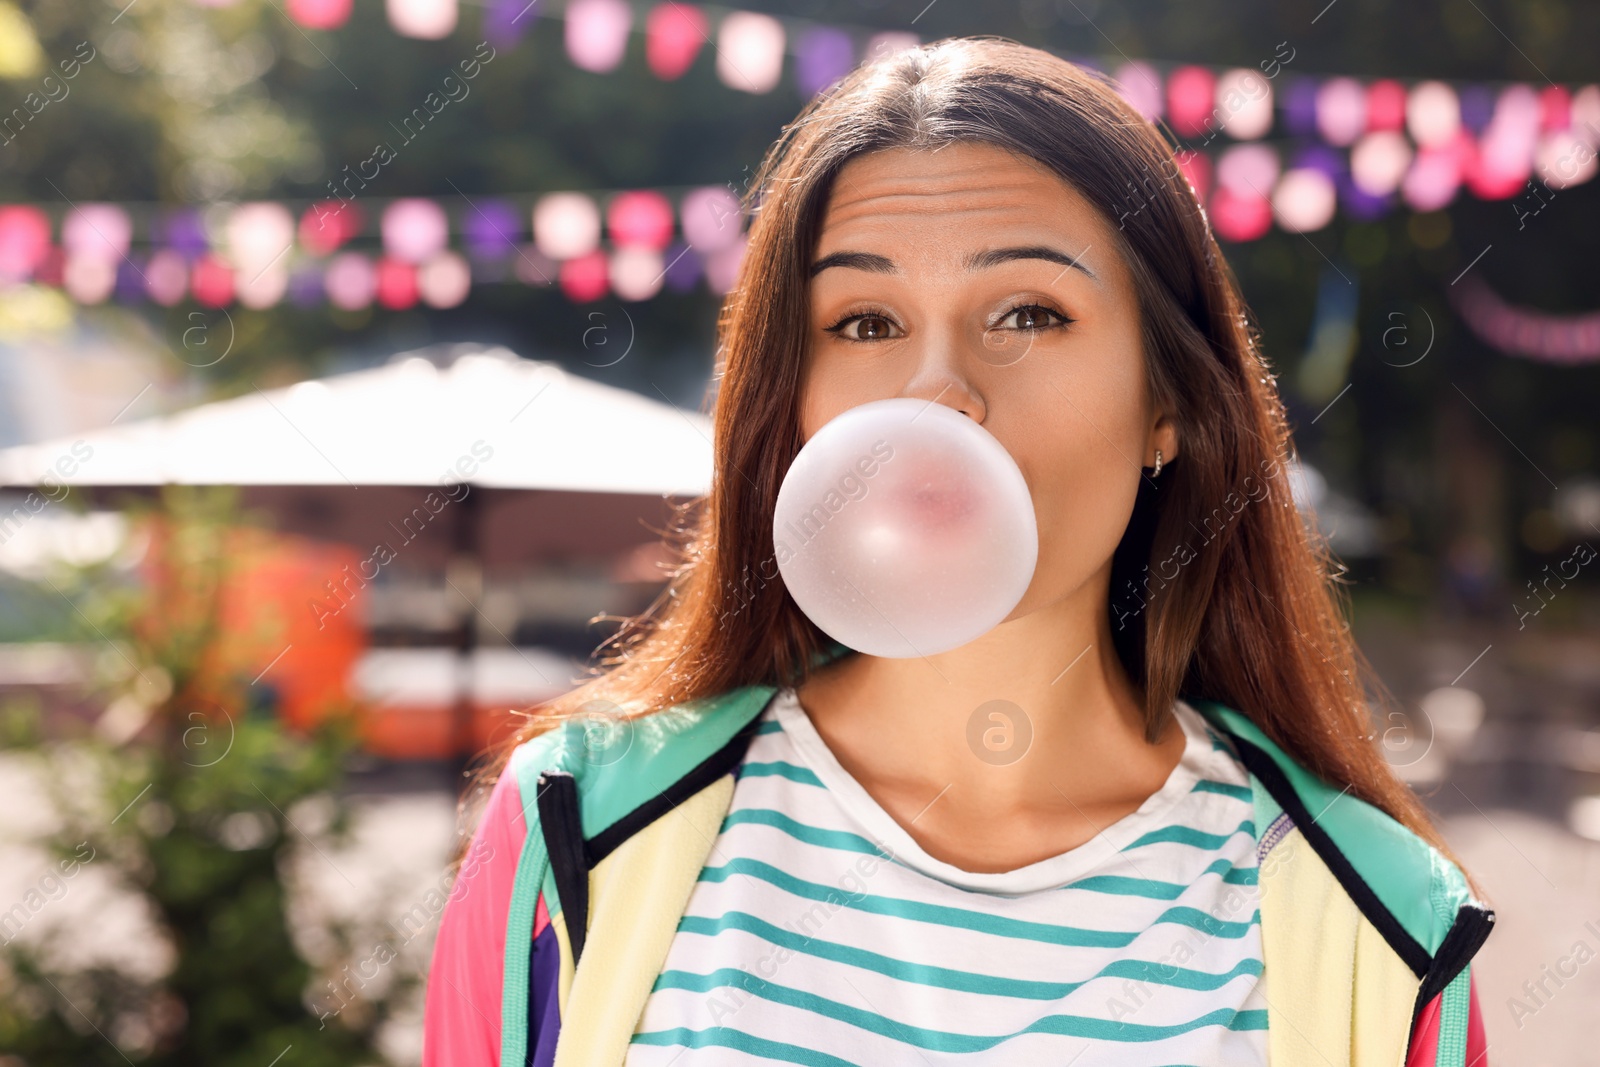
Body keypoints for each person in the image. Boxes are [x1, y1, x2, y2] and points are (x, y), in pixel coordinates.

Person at [422, 36, 1493, 1066]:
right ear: (790, 403)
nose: (938, 390)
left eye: (1028, 310)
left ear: (1168, 399)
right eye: (864, 322)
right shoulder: (574, 830)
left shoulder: (1386, 924)